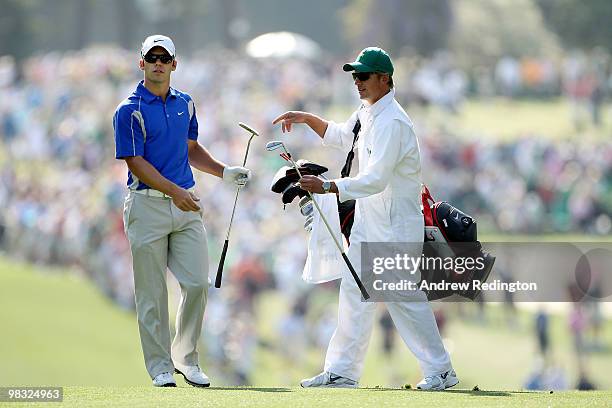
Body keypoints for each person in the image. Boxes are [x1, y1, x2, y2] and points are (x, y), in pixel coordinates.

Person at [272, 47, 457, 390]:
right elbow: (342, 135)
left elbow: (376, 179)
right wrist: (306, 117)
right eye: (354, 76)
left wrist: (328, 186)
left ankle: (441, 370)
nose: (356, 82)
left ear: (384, 79)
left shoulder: (395, 122)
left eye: (363, 76)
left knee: (403, 298)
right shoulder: (368, 112)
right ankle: (342, 372)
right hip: (369, 222)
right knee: (354, 295)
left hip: (397, 225)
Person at [113, 35, 251, 387]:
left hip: (185, 203)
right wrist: (175, 192)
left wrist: (224, 172)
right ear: (140, 62)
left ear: (175, 63)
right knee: (152, 293)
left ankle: (186, 359)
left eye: (165, 58)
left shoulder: (185, 104)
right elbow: (135, 163)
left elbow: (189, 148)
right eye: (151, 57)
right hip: (147, 206)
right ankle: (160, 367)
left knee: (197, 283)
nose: (158, 63)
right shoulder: (129, 110)